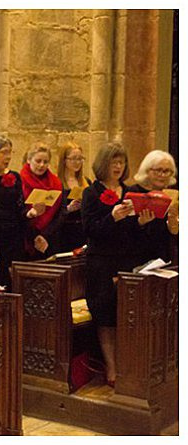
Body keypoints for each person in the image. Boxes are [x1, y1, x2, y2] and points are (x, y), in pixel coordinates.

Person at [81, 141, 149, 386]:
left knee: (127, 316)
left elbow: (133, 235)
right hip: (101, 263)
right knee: (106, 317)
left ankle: (128, 366)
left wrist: (141, 223)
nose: (118, 166)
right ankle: (111, 368)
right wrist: (111, 217)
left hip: (126, 261)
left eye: (121, 162)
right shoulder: (91, 193)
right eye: (113, 162)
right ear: (103, 164)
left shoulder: (131, 192)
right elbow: (89, 230)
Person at [0, 134, 45, 291]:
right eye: (4, 152)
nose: (8, 157)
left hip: (13, 242)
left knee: (13, 290)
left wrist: (31, 215)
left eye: (10, 152)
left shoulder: (14, 177)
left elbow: (19, 211)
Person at [131, 150, 179, 264]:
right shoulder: (135, 192)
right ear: (147, 171)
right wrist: (141, 223)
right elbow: (124, 230)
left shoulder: (172, 195)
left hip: (165, 258)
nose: (162, 175)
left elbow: (173, 234)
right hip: (137, 258)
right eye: (158, 170)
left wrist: (174, 224)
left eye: (167, 171)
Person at [20, 142, 64, 258]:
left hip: (49, 239)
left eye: (45, 162)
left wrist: (45, 235)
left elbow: (60, 213)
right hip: (25, 240)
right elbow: (17, 212)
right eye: (38, 161)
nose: (42, 165)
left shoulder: (56, 183)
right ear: (29, 160)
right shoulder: (19, 182)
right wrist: (35, 236)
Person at [56, 141, 92, 252]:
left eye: (80, 159)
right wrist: (68, 209)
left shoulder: (86, 181)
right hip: (65, 232)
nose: (77, 162)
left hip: (82, 230)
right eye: (73, 159)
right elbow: (53, 213)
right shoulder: (57, 182)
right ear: (64, 160)